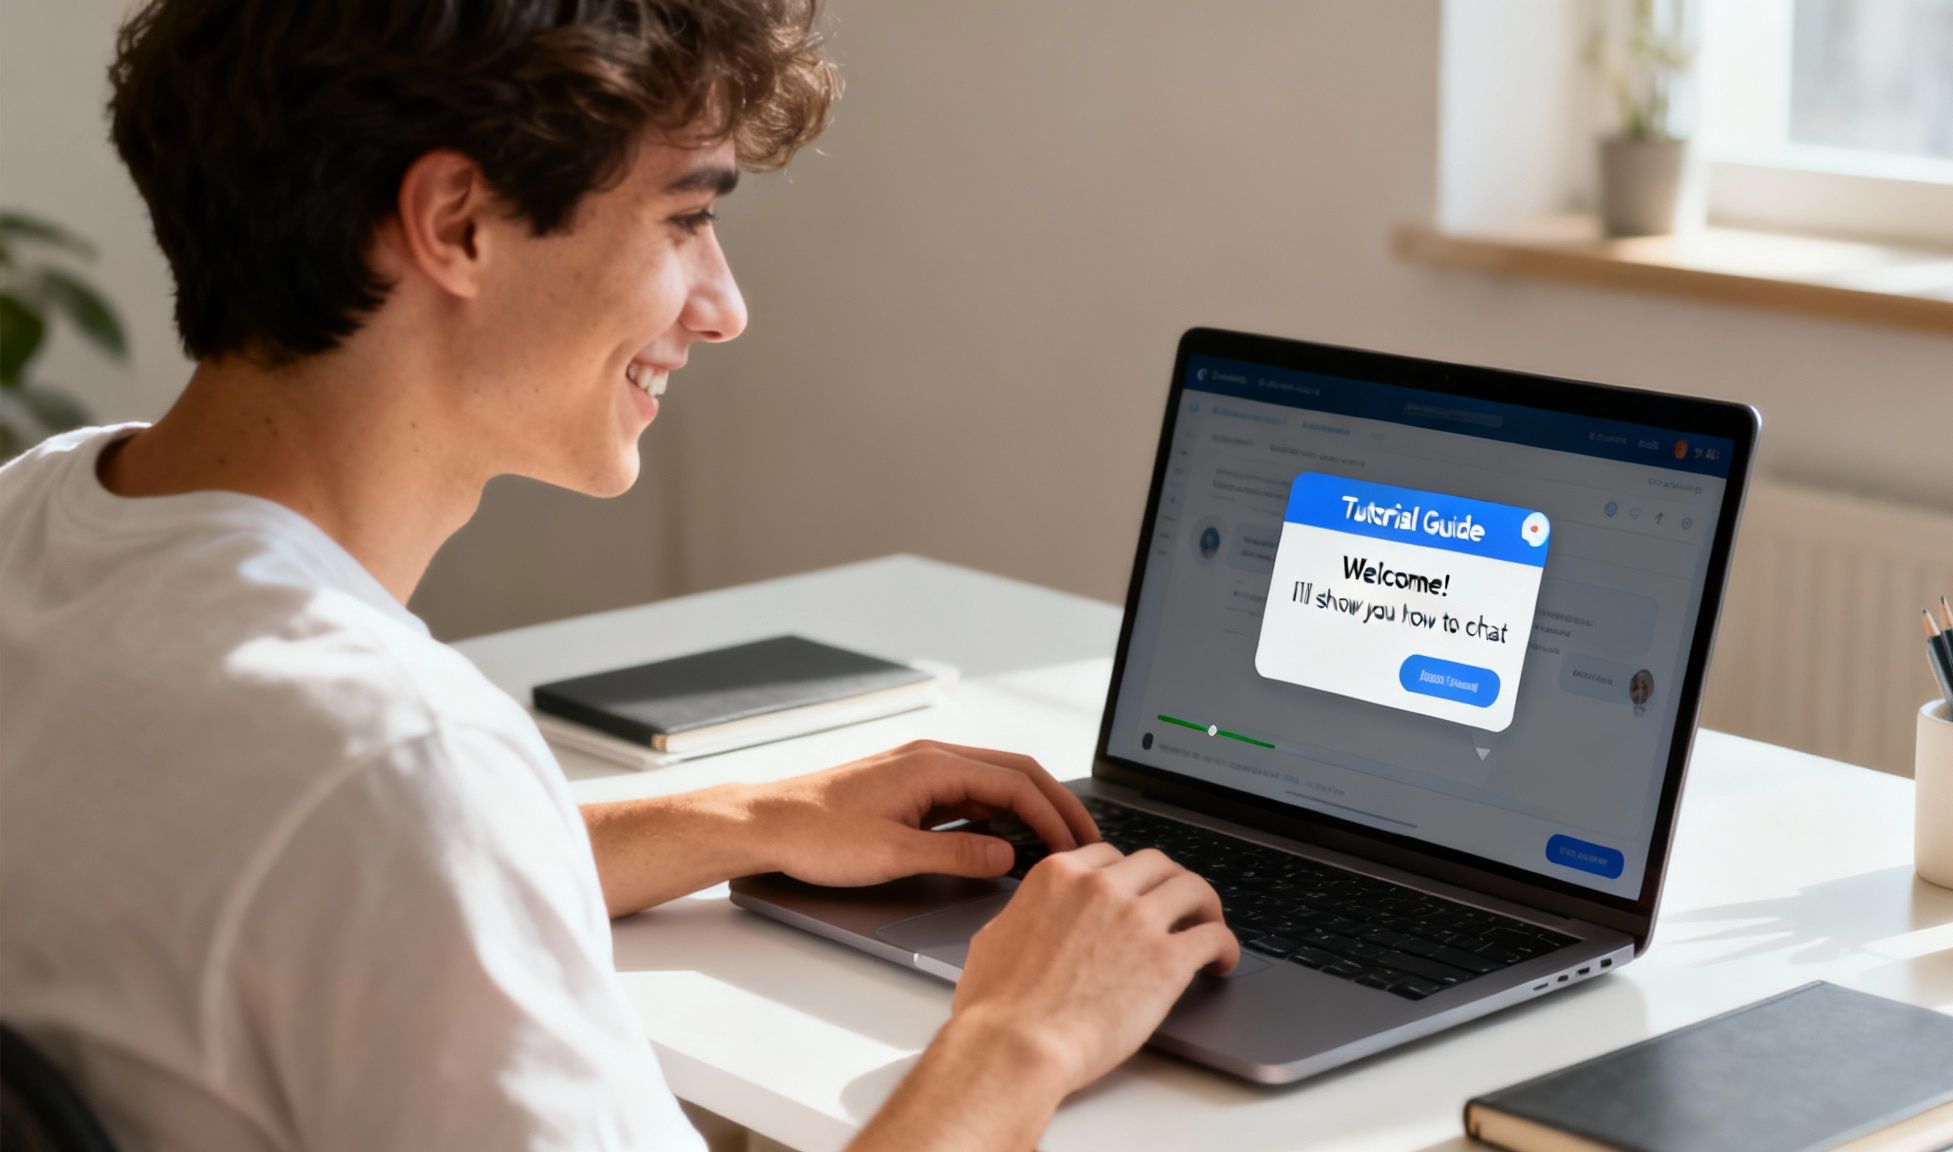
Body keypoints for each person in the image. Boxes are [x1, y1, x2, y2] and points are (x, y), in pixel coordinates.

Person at [0, 3, 1237, 1150]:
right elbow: (384, 818)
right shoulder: (391, 760)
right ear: (456, 225)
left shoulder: (39, 513)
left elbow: (290, 854)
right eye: (685, 220)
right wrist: (1022, 1037)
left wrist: (747, 820)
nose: (723, 306)